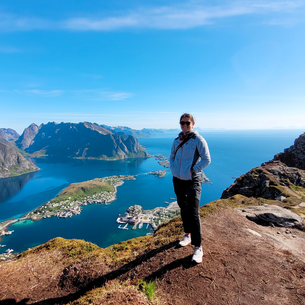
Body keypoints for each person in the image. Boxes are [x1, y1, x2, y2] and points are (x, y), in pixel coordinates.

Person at [170, 113, 211, 263]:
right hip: (177, 179)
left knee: (193, 211)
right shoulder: (176, 140)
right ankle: (187, 234)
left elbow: (207, 159)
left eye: (187, 123)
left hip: (192, 180)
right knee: (183, 207)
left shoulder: (198, 140)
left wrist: (194, 169)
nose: (185, 125)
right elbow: (171, 156)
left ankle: (198, 247)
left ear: (193, 123)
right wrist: (173, 169)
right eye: (182, 123)